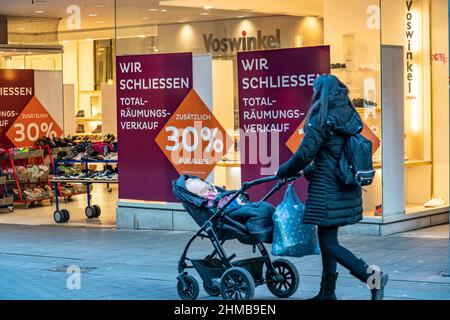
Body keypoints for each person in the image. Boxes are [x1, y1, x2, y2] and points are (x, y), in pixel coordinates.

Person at [276, 74, 388, 300]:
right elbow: (332, 153)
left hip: (328, 190)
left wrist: (283, 171)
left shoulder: (321, 117)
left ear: (320, 93)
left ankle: (372, 277)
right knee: (329, 240)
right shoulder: (349, 114)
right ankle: (328, 293)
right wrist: (308, 171)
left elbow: (305, 154)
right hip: (345, 186)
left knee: (329, 243)